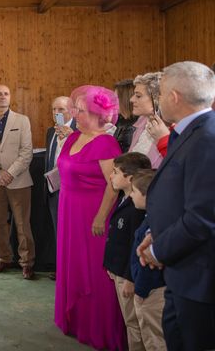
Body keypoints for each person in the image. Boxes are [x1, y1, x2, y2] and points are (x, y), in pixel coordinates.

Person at [137, 61, 215, 351]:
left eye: (161, 94)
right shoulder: (191, 132)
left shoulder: (207, 138)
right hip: (182, 268)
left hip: (199, 277)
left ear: (174, 97)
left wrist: (159, 249)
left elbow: (203, 217)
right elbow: (181, 198)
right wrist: (158, 234)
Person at [54, 85, 126, 351]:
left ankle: (98, 326)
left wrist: (100, 216)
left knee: (94, 271)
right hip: (69, 211)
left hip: (93, 215)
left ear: (98, 114)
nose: (75, 115)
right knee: (72, 264)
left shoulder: (106, 143)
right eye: (76, 110)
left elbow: (113, 184)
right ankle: (76, 319)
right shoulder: (74, 138)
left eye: (81, 111)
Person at [0, 84, 35, 278]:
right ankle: (4, 258)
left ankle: (27, 262)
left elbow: (27, 152)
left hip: (19, 179)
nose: (3, 97)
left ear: (10, 97)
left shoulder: (22, 120)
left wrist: (9, 173)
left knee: (22, 223)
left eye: (6, 94)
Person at [104, 152, 151, 351]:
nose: (110, 176)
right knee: (130, 322)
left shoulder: (138, 208)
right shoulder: (125, 200)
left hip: (128, 274)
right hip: (118, 270)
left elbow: (135, 246)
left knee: (135, 324)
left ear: (130, 178)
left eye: (115, 172)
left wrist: (130, 278)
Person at [129, 169, 167, 351]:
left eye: (134, 191)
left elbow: (148, 265)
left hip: (150, 293)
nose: (130, 196)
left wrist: (141, 291)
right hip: (146, 290)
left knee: (155, 341)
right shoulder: (150, 219)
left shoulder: (153, 226)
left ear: (147, 196)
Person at [44, 95, 76, 279]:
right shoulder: (51, 131)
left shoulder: (78, 131)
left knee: (71, 232)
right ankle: (61, 268)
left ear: (71, 110)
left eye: (61, 109)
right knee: (58, 230)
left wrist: (71, 137)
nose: (57, 113)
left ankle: (70, 269)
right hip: (53, 188)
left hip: (71, 188)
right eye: (54, 110)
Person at [129, 73, 168, 168]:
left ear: (157, 99)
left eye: (138, 96)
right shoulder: (141, 124)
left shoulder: (175, 130)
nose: (131, 99)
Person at [114, 79, 137, 152]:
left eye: (116, 98)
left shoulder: (133, 126)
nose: (113, 101)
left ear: (125, 100)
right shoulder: (120, 119)